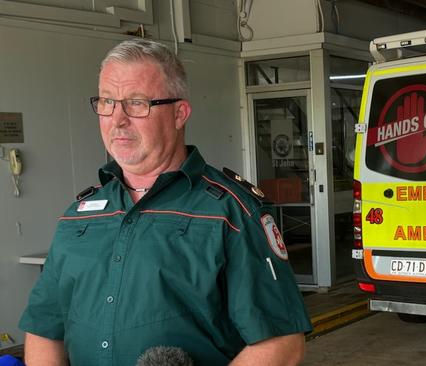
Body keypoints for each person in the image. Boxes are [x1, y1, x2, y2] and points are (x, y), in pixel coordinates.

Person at [19, 38, 312, 365]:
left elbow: (282, 343)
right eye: (107, 102)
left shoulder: (231, 213)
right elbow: (44, 328)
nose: (117, 120)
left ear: (179, 113)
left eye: (137, 103)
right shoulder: (78, 217)